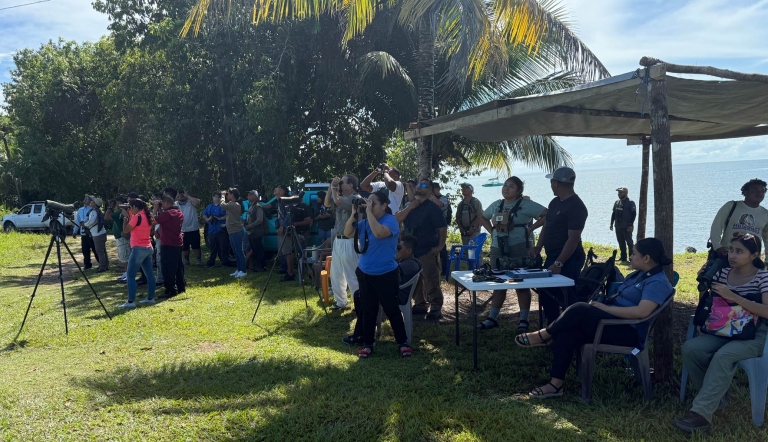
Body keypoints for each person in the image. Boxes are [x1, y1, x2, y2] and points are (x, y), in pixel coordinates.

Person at [516, 238, 673, 399]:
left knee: (579, 308)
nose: (630, 257)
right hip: (611, 322)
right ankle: (555, 385)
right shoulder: (639, 275)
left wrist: (606, 308)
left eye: (634, 254)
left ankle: (544, 335)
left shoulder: (657, 282)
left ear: (646, 258)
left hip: (627, 331)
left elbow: (642, 312)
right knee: (569, 331)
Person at [674, 234, 768, 434]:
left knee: (724, 355)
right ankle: (716, 399)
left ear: (754, 255)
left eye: (739, 251)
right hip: (722, 329)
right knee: (691, 349)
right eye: (731, 250)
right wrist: (704, 281)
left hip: (752, 335)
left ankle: (701, 416)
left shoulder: (763, 277)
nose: (733, 255)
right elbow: (708, 303)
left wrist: (734, 297)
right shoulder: (722, 273)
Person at [342, 189, 412, 359]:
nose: (369, 205)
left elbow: (380, 233)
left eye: (373, 202)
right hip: (365, 272)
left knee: (391, 309)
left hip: (386, 273)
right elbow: (348, 233)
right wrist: (353, 214)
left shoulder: (391, 221)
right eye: (368, 201)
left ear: (384, 205)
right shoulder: (366, 222)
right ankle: (368, 344)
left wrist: (367, 213)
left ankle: (402, 342)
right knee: (368, 309)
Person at [478, 177, 547, 332]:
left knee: (521, 284)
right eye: (505, 186)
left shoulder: (526, 204)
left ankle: (524, 320)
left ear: (518, 190)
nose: (506, 189)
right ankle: (492, 318)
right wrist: (492, 231)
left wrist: (531, 228)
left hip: (519, 247)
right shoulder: (497, 204)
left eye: (511, 186)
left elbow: (547, 214)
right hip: (497, 248)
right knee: (498, 282)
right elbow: (483, 217)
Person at [530, 167, 588, 325]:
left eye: (552, 181)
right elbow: (547, 225)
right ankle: (552, 326)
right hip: (552, 256)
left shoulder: (576, 206)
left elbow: (573, 239)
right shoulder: (555, 202)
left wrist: (559, 263)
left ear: (557, 183)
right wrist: (539, 245)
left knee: (568, 295)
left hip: (569, 259)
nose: (550, 185)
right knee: (547, 292)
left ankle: (573, 330)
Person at [343, 235, 422, 346]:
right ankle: (362, 332)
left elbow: (389, 274)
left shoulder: (411, 263)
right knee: (361, 295)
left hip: (397, 295)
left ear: (409, 251)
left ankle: (361, 335)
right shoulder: (404, 261)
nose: (397, 249)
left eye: (399, 247)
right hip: (391, 291)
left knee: (364, 298)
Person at [396, 178, 448, 320]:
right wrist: (410, 206)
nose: (419, 187)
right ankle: (420, 304)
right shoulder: (410, 205)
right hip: (409, 250)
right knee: (413, 278)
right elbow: (398, 221)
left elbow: (442, 227)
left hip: (426, 249)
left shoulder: (432, 207)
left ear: (430, 190)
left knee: (430, 277)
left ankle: (436, 306)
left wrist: (441, 245)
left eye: (424, 185)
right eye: (418, 184)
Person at [709, 179, 768, 263]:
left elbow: (767, 240)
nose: (759, 193)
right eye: (754, 190)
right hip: (728, 255)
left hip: (752, 259)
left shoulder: (765, 214)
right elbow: (716, 227)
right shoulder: (731, 206)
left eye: (762, 191)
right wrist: (717, 247)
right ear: (745, 192)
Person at [325, 175, 361, 309]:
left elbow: (337, 201)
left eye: (342, 182)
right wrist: (331, 187)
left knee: (352, 274)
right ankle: (341, 302)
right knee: (336, 273)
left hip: (350, 240)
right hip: (338, 241)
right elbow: (327, 203)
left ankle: (359, 303)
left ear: (351, 185)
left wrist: (334, 187)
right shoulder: (340, 197)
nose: (339, 185)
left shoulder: (355, 198)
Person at [119, 199, 156, 308]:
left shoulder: (137, 217)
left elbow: (125, 230)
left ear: (135, 207)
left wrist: (125, 217)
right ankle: (150, 298)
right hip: (148, 247)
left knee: (130, 275)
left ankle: (130, 302)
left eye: (130, 207)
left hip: (138, 249)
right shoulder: (146, 215)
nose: (129, 209)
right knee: (150, 275)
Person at [153, 196, 185, 298]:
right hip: (177, 243)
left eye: (162, 203)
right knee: (178, 266)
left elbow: (153, 220)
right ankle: (181, 286)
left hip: (168, 244)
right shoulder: (178, 212)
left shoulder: (167, 214)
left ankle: (170, 289)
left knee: (167, 267)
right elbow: (165, 222)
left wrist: (155, 208)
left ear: (166, 203)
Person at [278, 193, 312, 282]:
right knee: (287, 252)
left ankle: (306, 274)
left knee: (302, 254)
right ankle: (291, 273)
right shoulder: (287, 207)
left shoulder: (304, 207)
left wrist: (295, 224)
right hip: (289, 232)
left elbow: (308, 221)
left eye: (294, 197)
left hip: (301, 233)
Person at [221, 189, 247, 278]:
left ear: (232, 195)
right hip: (232, 231)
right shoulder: (232, 205)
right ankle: (239, 269)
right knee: (235, 252)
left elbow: (222, 205)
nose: (227, 195)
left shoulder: (234, 204)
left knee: (239, 251)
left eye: (228, 194)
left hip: (237, 231)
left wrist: (222, 195)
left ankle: (243, 270)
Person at [203, 192, 230, 268]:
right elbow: (204, 214)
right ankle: (211, 263)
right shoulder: (209, 206)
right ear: (213, 198)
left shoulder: (224, 206)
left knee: (223, 247)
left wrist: (220, 218)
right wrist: (208, 219)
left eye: (219, 197)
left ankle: (225, 262)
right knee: (213, 247)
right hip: (212, 230)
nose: (217, 198)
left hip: (221, 229)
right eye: (215, 197)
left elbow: (228, 214)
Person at [105, 197, 130, 282]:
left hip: (122, 238)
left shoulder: (120, 212)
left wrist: (110, 207)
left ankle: (128, 274)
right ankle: (127, 273)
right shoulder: (121, 212)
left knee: (125, 256)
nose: (116, 205)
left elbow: (106, 217)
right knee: (123, 256)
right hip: (120, 237)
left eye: (117, 203)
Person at [610, 186, 637, 262]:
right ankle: (623, 257)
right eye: (618, 192)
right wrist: (611, 223)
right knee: (621, 242)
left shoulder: (631, 202)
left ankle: (631, 258)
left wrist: (630, 225)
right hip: (618, 226)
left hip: (627, 226)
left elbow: (634, 214)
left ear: (625, 193)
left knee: (629, 242)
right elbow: (613, 213)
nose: (619, 194)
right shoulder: (617, 202)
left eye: (621, 192)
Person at [84, 195, 109, 273]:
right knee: (103, 250)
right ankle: (105, 265)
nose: (91, 202)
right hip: (100, 233)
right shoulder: (97, 211)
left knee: (99, 251)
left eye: (93, 201)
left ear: (95, 204)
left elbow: (91, 221)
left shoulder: (94, 211)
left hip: (97, 234)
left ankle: (102, 267)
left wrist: (85, 224)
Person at [73, 195, 99, 270]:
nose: (85, 200)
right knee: (85, 250)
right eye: (85, 198)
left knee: (95, 249)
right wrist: (75, 231)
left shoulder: (93, 209)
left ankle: (101, 263)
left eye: (87, 198)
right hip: (83, 233)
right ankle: (87, 265)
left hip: (91, 232)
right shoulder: (80, 210)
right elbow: (77, 221)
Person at [177, 189, 202, 266]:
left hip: (193, 228)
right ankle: (186, 260)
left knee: (196, 246)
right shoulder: (176, 204)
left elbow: (198, 202)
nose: (181, 195)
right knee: (184, 247)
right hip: (182, 229)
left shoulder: (191, 202)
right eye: (180, 193)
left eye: (183, 193)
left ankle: (198, 260)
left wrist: (187, 196)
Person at [244, 190, 267, 272]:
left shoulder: (258, 206)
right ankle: (258, 265)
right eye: (248, 194)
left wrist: (250, 225)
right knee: (254, 249)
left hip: (257, 232)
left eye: (251, 194)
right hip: (251, 232)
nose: (249, 196)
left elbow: (260, 220)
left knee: (258, 249)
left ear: (256, 197)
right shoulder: (251, 206)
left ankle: (262, 266)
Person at [432, 183, 451, 277]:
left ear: (439, 189)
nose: (434, 190)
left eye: (435, 189)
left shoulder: (443, 198)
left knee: (442, 248)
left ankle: (445, 269)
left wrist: (430, 196)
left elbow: (440, 204)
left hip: (441, 227)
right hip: (432, 228)